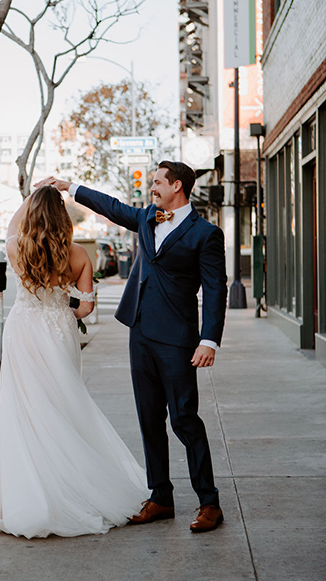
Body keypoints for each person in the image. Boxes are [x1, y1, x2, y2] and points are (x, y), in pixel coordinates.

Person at [37, 161, 228, 533]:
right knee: (149, 418)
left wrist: (209, 340)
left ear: (177, 186)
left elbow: (217, 289)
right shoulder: (146, 218)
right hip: (139, 330)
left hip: (177, 338)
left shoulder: (206, 233)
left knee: (185, 419)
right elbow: (111, 206)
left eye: (158, 182)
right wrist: (68, 186)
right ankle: (161, 497)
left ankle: (209, 502)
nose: (152, 187)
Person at [0, 185, 147, 538]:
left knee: (24, 409)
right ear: (63, 219)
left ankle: (30, 487)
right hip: (58, 333)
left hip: (24, 332)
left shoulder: (16, 247)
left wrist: (34, 194)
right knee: (62, 405)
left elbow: (11, 226)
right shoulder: (79, 255)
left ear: (33, 214)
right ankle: (72, 482)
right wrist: (61, 302)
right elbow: (85, 307)